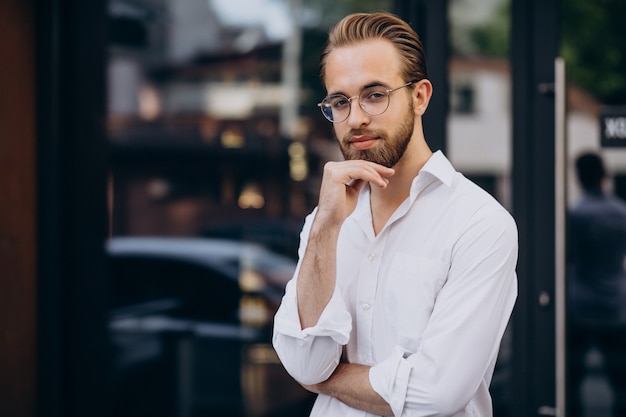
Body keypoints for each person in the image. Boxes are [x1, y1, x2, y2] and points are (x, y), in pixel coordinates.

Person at [272, 12, 518, 416]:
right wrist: (325, 227)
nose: (356, 119)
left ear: (419, 97)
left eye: (375, 95)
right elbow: (303, 362)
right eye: (339, 101)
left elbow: (436, 391)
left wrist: (325, 379)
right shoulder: (324, 223)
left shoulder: (479, 223)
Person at [566, 151, 626, 417]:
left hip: (582, 301)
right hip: (615, 301)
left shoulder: (576, 214)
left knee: (572, 377)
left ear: (579, 177)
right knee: (620, 377)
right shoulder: (621, 212)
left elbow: (568, 255)